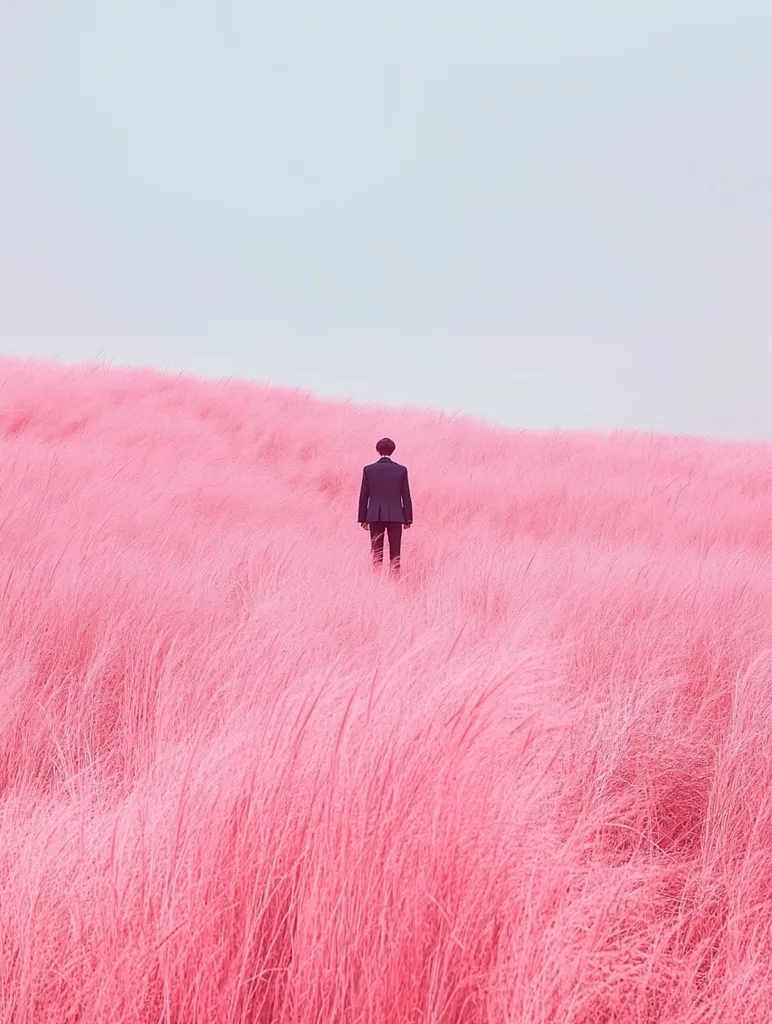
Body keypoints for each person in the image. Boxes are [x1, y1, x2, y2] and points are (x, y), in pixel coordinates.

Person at [358, 438, 413, 577]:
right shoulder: (401, 470)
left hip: (375, 515)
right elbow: (406, 495)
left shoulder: (369, 469)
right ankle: (395, 578)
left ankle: (376, 578)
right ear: (392, 450)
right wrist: (408, 519)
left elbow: (364, 495)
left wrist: (362, 518)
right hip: (396, 515)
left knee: (376, 550)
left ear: (378, 450)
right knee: (395, 551)